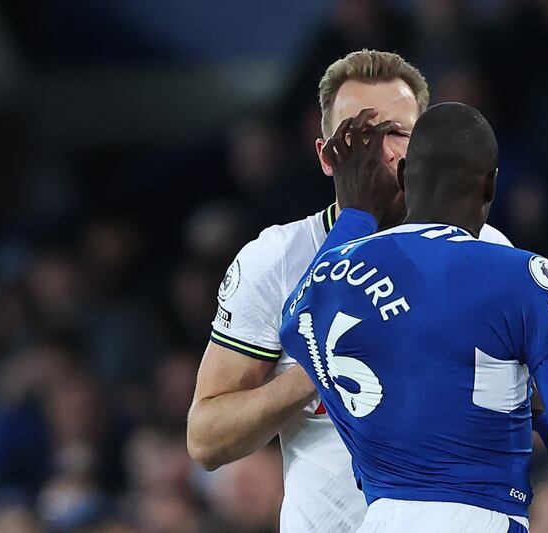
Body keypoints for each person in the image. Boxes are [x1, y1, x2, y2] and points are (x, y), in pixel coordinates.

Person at [186, 50, 512, 533]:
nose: (380, 152)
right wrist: (316, 369)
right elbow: (207, 438)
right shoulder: (279, 257)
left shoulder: (484, 252)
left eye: (398, 133)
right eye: (359, 135)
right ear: (326, 156)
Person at [279, 102, 548, 532]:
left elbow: (294, 325)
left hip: (378, 519)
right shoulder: (519, 276)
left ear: (402, 177)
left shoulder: (332, 274)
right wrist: (537, 418)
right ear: (491, 184)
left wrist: (356, 214)